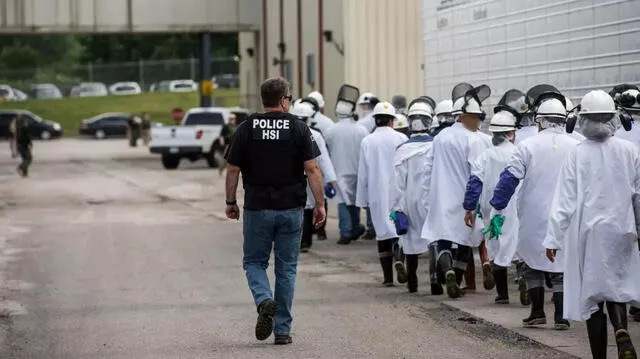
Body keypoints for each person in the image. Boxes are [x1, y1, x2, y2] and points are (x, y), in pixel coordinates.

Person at [224, 77, 326, 345]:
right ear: (283, 100)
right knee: (287, 268)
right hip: (291, 208)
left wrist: (230, 201)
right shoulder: (299, 128)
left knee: (255, 262)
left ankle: (264, 300)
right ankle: (282, 330)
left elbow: (232, 168)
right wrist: (320, 204)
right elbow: (312, 168)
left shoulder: (246, 128)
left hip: (257, 208)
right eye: (289, 98)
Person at [543, 90, 639, 358]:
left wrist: (552, 238)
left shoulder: (577, 154)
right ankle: (621, 330)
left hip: (589, 234)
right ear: (613, 118)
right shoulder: (629, 151)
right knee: (615, 287)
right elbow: (639, 196)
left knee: (592, 295)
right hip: (623, 230)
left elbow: (564, 201)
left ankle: (600, 355)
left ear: (581, 119)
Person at [489, 91, 579, 330]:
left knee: (531, 261)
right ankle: (561, 316)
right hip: (568, 213)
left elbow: (509, 178)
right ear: (563, 119)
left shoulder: (526, 146)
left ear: (539, 121)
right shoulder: (577, 144)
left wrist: (497, 204)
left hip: (533, 213)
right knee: (562, 264)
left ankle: (537, 311)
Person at [421, 84, 492, 299]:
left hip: (441, 196)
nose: (479, 121)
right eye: (476, 117)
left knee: (442, 237)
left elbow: (428, 167)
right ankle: (456, 278)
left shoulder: (441, 137)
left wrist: (427, 194)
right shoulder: (474, 140)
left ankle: (449, 272)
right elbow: (478, 172)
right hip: (465, 199)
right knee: (465, 240)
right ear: (463, 116)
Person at [463, 108, 520, 304]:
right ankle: (525, 284)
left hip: (492, 212)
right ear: (511, 133)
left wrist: (469, 209)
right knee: (519, 248)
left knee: (495, 250)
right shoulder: (520, 153)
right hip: (518, 209)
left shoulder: (485, 157)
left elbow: (474, 184)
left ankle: (502, 294)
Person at [357, 101, 410, 286]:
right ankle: (399, 257)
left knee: (382, 234)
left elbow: (362, 174)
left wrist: (362, 200)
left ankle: (388, 278)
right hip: (399, 192)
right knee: (400, 232)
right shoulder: (402, 139)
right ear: (392, 121)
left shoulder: (367, 141)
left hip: (376, 194)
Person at [389, 101, 437, 293]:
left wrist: (396, 208)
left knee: (409, 241)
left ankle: (412, 281)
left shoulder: (402, 150)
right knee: (433, 239)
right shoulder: (436, 146)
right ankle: (435, 281)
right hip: (431, 199)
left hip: (409, 201)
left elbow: (397, 182)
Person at [323, 85, 370, 245]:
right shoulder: (362, 130)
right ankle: (355, 228)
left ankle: (346, 232)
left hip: (339, 171)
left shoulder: (330, 131)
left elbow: (326, 150)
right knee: (355, 201)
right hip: (358, 170)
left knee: (343, 201)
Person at [291, 101, 337, 252]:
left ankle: (295, 240)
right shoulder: (315, 135)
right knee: (309, 207)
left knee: (293, 207)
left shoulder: (286, 134)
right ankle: (305, 241)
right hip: (308, 177)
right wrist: (331, 179)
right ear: (309, 118)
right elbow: (323, 159)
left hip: (290, 179)